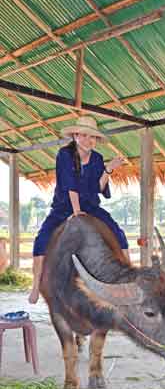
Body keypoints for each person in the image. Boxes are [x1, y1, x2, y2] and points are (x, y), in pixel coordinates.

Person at [29, 116, 129, 304]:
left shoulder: (97, 158)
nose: (88, 140)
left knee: (118, 234)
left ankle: (128, 277)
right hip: (64, 205)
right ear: (75, 136)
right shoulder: (64, 155)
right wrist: (76, 213)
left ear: (96, 140)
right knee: (42, 239)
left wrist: (108, 170)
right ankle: (36, 285)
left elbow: (99, 188)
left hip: (91, 204)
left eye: (92, 137)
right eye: (83, 135)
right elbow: (70, 185)